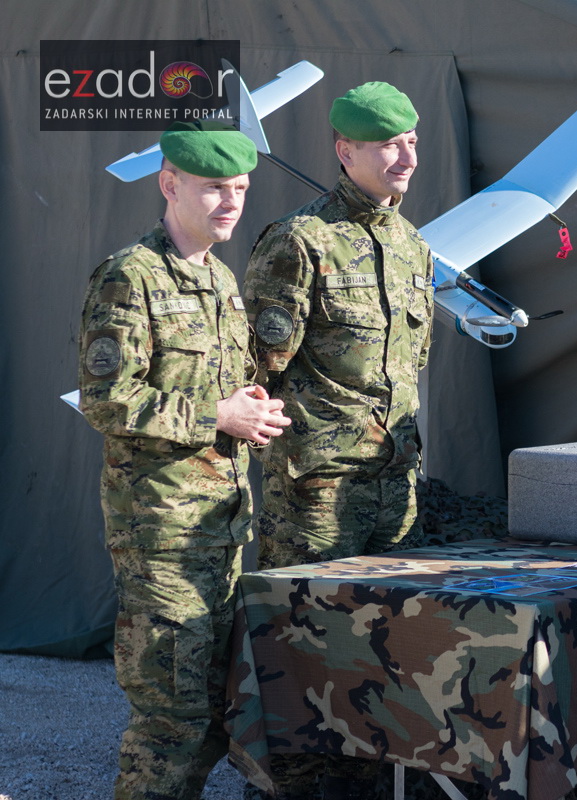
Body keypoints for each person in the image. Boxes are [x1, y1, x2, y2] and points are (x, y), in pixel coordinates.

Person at [78, 122, 290, 800]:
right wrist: (218, 416)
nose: (230, 203)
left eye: (240, 189)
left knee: (208, 722)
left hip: (220, 533)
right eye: (213, 189)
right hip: (161, 537)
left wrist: (249, 410)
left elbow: (216, 387)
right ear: (170, 185)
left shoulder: (222, 279)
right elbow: (108, 400)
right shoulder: (129, 278)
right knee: (171, 722)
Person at [242, 81, 434, 800]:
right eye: (388, 143)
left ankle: (374, 782)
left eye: (412, 140)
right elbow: (254, 375)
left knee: (386, 651)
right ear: (344, 150)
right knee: (308, 653)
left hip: (396, 492)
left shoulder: (413, 247)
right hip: (319, 499)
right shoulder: (300, 243)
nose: (405, 155)